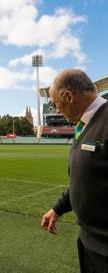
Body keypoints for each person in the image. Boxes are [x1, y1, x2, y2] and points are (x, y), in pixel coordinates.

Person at [41, 69, 108, 272]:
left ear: (68, 96)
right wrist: (58, 208)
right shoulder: (86, 124)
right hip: (90, 243)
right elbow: (87, 178)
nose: (55, 108)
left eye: (55, 103)